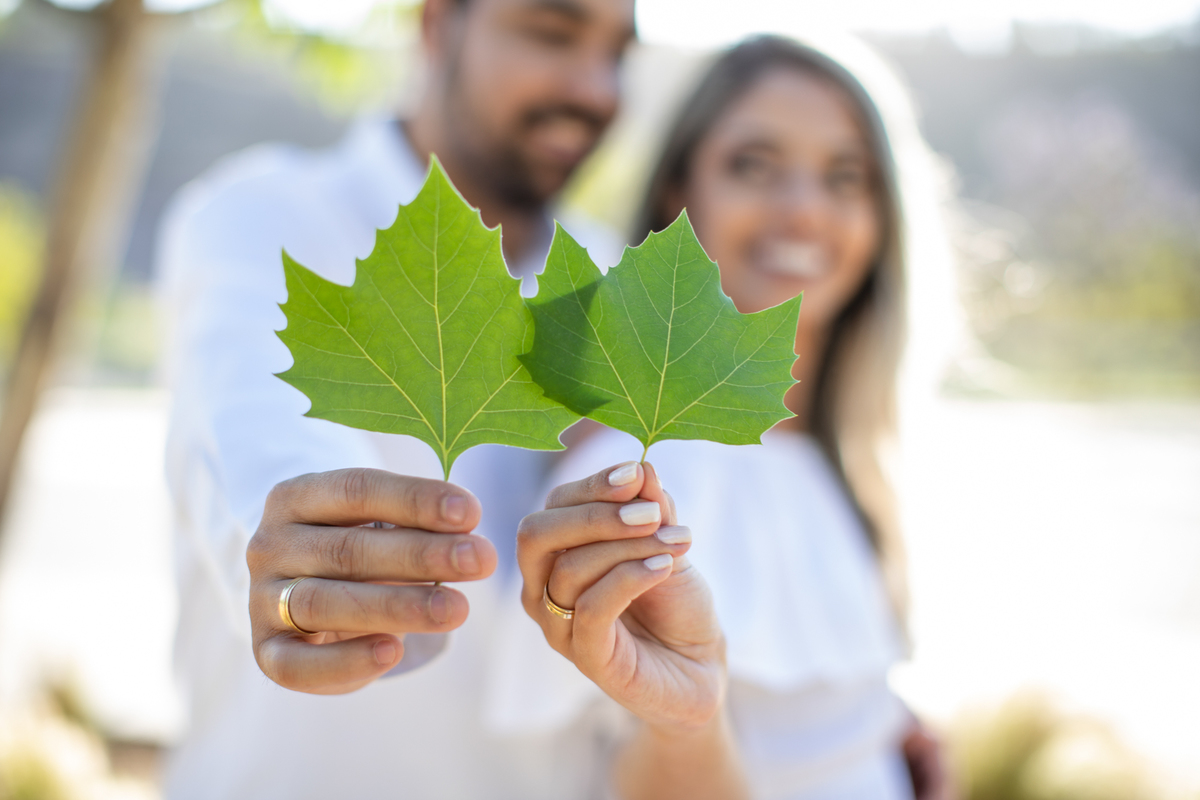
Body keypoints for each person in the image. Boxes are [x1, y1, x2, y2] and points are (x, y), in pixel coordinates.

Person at [152, 0, 721, 797]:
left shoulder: (622, 290)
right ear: (437, 24)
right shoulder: (265, 215)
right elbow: (241, 404)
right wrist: (289, 523)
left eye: (616, 53)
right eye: (551, 34)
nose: (594, 88)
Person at [503, 35, 956, 799]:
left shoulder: (832, 459)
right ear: (679, 194)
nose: (804, 210)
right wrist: (684, 719)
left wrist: (884, 734)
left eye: (846, 177)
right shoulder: (645, 480)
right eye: (754, 165)